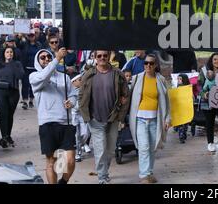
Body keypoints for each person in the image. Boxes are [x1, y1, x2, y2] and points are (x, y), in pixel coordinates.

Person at [79, 50, 130, 184]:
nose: (102, 58)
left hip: (112, 118)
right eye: (99, 56)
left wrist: (121, 116)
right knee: (100, 149)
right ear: (95, 58)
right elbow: (81, 95)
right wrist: (84, 114)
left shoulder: (117, 74)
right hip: (95, 118)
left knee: (110, 150)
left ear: (109, 57)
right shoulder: (89, 75)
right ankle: (102, 177)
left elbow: (126, 95)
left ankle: (104, 171)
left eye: (105, 55)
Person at [30, 48, 77, 184]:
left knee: (69, 160)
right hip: (47, 124)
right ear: (38, 61)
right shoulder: (34, 76)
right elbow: (44, 77)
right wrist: (57, 59)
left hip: (65, 123)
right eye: (42, 58)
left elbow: (73, 94)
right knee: (52, 161)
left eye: (48, 57)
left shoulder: (64, 77)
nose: (46, 59)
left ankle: (63, 182)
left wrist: (72, 102)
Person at [129, 53, 170, 184]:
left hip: (155, 120)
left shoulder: (161, 80)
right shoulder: (137, 78)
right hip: (140, 119)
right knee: (144, 147)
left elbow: (167, 102)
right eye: (146, 63)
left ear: (156, 65)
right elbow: (126, 93)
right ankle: (144, 176)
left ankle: (149, 172)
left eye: (151, 63)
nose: (148, 65)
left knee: (152, 147)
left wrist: (167, 119)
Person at [0, 47, 24, 148]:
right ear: (3, 54)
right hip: (0, 93)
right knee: (3, 115)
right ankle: (4, 137)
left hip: (13, 93)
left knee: (9, 116)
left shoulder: (17, 64)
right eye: (7, 52)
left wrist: (11, 63)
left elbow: (20, 75)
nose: (9, 54)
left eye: (11, 52)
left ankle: (8, 136)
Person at [70, 73, 90, 162]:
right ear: (74, 81)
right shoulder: (69, 91)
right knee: (76, 135)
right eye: (80, 80)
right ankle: (78, 153)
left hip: (82, 114)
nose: (82, 81)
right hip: (73, 115)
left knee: (86, 133)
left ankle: (83, 143)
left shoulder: (84, 89)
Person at [175, 73, 192, 144]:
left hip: (186, 108)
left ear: (184, 80)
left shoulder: (188, 88)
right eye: (178, 79)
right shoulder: (177, 88)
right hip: (179, 108)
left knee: (185, 123)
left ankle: (183, 133)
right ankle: (181, 135)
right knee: (180, 123)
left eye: (180, 79)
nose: (178, 80)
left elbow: (191, 97)